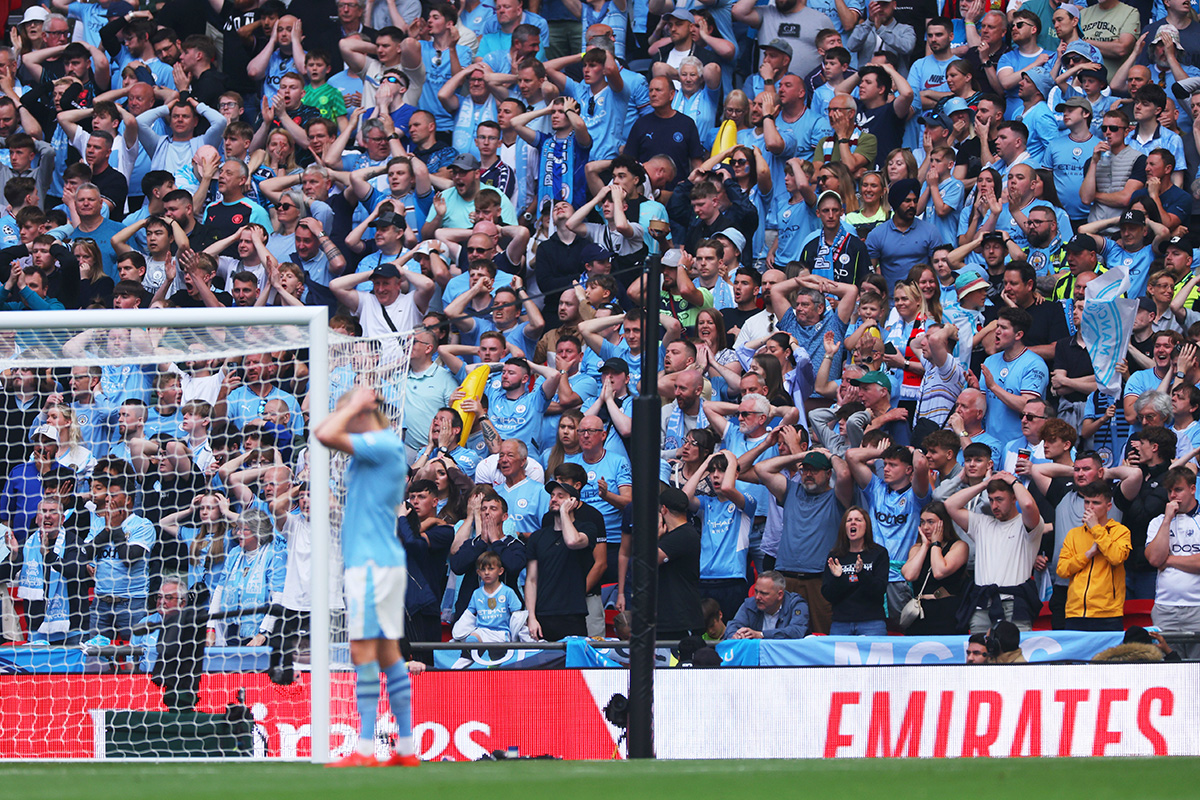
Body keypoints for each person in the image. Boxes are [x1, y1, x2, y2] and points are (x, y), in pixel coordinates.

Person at [314, 387, 417, 767]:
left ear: (363, 414)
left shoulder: (383, 444)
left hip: (372, 564)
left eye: (349, 414)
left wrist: (356, 405)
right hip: (375, 562)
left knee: (363, 652)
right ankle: (406, 750)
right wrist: (351, 409)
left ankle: (363, 749)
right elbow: (326, 431)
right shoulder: (377, 447)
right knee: (388, 653)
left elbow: (324, 434)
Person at [945, 471, 1045, 633]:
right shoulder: (982, 523)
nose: (994, 506)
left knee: (1014, 656)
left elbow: (1027, 504)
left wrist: (1013, 481)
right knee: (979, 655)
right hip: (982, 603)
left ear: (1014, 498)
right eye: (991, 500)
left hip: (1014, 603)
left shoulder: (1027, 524)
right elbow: (950, 505)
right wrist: (986, 483)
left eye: (999, 499)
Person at [525, 479, 600, 641]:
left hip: (572, 613)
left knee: (573, 664)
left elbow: (572, 541)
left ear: (573, 502)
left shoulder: (587, 528)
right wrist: (531, 616)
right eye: (552, 495)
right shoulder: (537, 537)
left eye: (561, 496)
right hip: (543, 613)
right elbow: (531, 580)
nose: (553, 499)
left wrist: (565, 513)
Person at [1056, 482, 1131, 631]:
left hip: (1108, 614)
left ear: (1108, 507)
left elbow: (1116, 557)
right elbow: (1062, 570)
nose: (1090, 507)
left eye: (1095, 503)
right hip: (1075, 612)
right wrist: (1087, 555)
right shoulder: (1074, 534)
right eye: (1086, 502)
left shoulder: (1120, 531)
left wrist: (1096, 528)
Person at [1145, 466, 1200, 660]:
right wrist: (1168, 519)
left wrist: (1168, 560)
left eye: (1178, 490)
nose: (1173, 496)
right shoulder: (1158, 522)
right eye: (1169, 491)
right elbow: (1153, 559)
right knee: (1168, 664)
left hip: (1197, 606)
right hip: (1165, 607)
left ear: (1192, 489)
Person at [900, 500, 969, 635]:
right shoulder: (917, 548)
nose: (925, 527)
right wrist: (925, 546)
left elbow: (939, 571)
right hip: (920, 612)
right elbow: (909, 575)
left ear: (944, 523)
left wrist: (936, 544)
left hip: (947, 611)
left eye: (931, 522)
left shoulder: (959, 546)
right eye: (922, 522)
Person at [821, 506, 890, 635]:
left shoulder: (878, 553)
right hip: (841, 623)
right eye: (849, 520)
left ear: (866, 526)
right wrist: (838, 578)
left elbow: (879, 590)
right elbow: (828, 594)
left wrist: (862, 573)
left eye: (858, 520)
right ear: (844, 527)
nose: (853, 523)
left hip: (871, 622)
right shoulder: (835, 556)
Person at [724, 570, 810, 639]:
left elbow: (797, 631)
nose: (757, 597)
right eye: (756, 591)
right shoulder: (750, 604)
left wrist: (761, 635)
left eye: (764, 593)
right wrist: (735, 635)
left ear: (779, 595)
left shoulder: (796, 604)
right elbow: (734, 625)